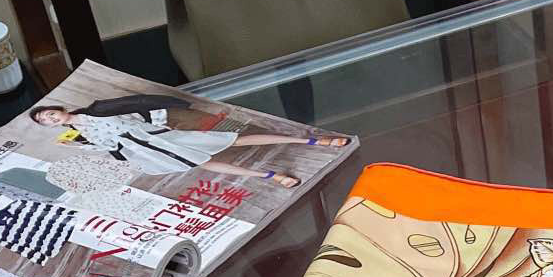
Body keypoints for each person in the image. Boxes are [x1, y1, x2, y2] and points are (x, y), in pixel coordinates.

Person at [29, 96, 348, 190]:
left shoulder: (97, 110)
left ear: (58, 109)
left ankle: (312, 140)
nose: (50, 119)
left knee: (234, 140)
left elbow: (140, 107)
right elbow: (111, 149)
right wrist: (82, 146)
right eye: (45, 121)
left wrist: (163, 120)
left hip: (160, 136)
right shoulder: (81, 134)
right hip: (147, 152)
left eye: (49, 114)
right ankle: (271, 176)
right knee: (206, 164)